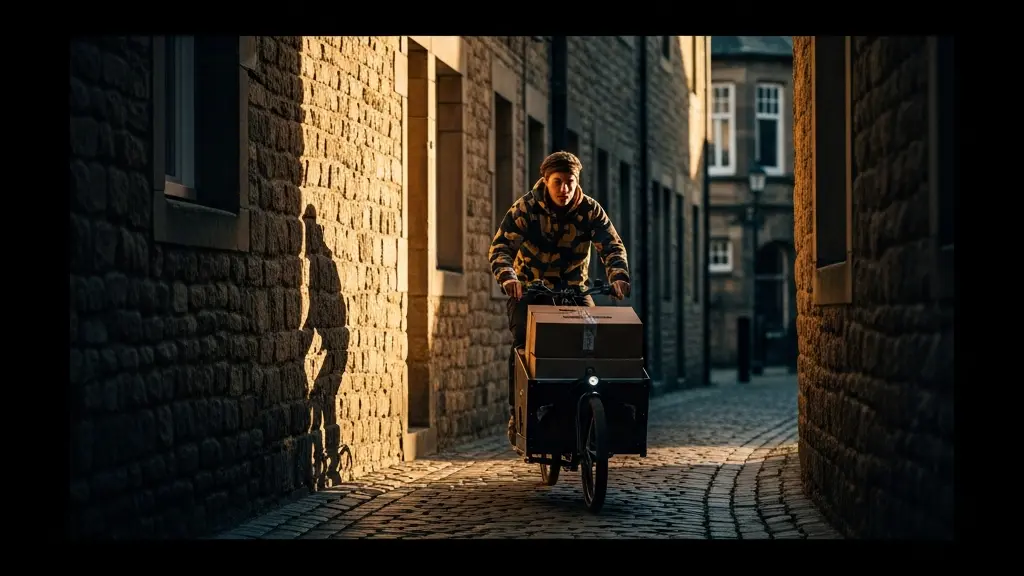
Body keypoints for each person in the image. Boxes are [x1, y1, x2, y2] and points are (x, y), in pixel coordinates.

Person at [487, 151, 632, 447]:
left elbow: (611, 245)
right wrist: (509, 278)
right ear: (546, 180)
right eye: (558, 182)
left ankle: (591, 406)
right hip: (529, 289)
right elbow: (500, 248)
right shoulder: (526, 208)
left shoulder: (590, 210)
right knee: (523, 347)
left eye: (570, 182)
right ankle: (519, 412)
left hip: (574, 290)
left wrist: (618, 276)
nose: (564, 189)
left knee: (594, 342)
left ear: (577, 181)